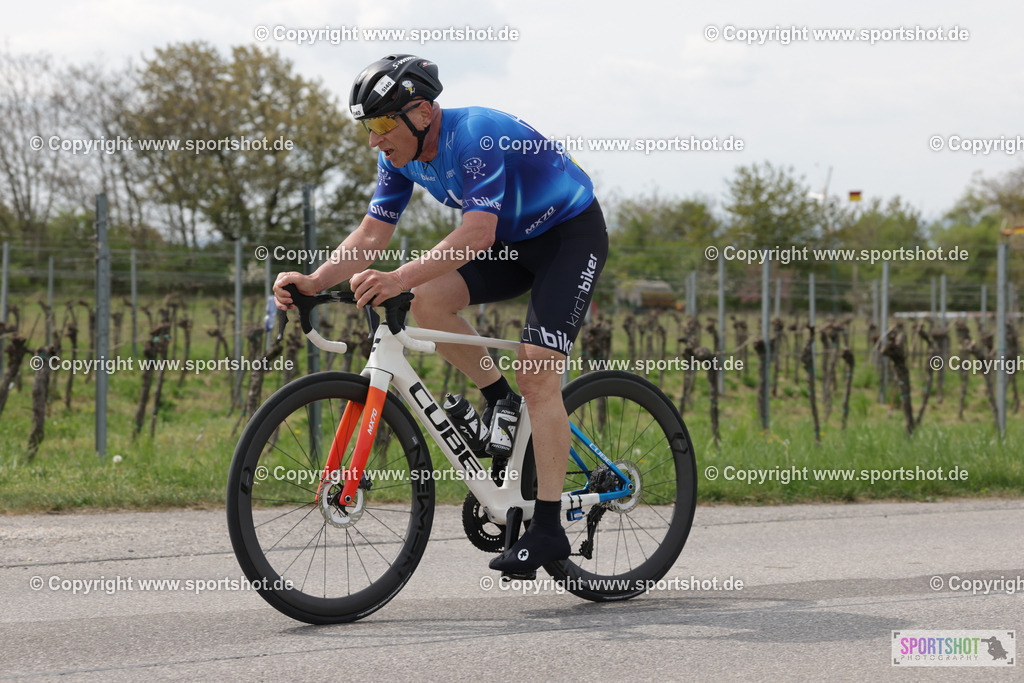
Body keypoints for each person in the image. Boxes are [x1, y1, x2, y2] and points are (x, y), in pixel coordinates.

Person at [273, 54, 607, 573]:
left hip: (568, 236)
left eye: (382, 124)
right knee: (426, 301)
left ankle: (547, 529)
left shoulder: (474, 138)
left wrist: (396, 277)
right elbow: (370, 235)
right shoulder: (398, 157)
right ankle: (501, 399)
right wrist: (315, 282)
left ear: (423, 113)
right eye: (368, 126)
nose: (374, 139)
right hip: (514, 242)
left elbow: (477, 234)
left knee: (537, 368)